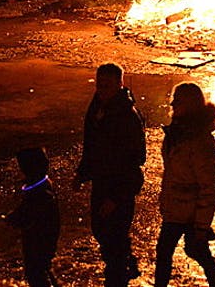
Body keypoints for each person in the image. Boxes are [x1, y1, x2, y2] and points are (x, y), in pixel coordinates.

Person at [75, 63, 146, 286]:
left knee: (113, 238)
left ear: (119, 84)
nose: (101, 89)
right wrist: (83, 172)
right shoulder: (97, 107)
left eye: (106, 85)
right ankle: (125, 263)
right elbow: (91, 143)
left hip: (118, 186)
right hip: (101, 181)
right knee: (101, 231)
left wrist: (116, 197)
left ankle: (119, 274)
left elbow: (134, 161)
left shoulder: (128, 117)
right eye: (99, 84)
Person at [154, 82, 215, 287]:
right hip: (175, 209)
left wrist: (201, 226)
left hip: (191, 212)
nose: (173, 104)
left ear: (190, 104)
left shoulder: (200, 142)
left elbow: (209, 187)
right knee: (164, 253)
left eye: (178, 100)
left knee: (197, 251)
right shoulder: (175, 134)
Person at [7, 147, 60, 287]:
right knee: (43, 268)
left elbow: (32, 212)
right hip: (46, 237)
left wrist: (17, 219)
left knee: (36, 271)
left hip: (39, 239)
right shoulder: (42, 184)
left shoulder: (40, 191)